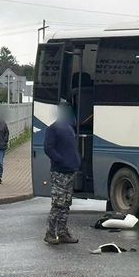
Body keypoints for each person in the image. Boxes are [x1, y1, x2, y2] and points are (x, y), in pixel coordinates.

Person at [43, 102, 80, 245]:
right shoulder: (53, 129)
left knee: (66, 203)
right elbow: (48, 148)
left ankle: (63, 232)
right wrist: (61, 160)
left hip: (69, 171)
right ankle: (50, 233)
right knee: (58, 204)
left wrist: (75, 161)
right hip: (59, 172)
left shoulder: (69, 128)